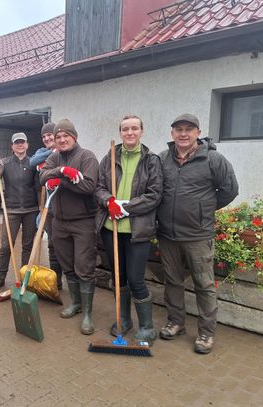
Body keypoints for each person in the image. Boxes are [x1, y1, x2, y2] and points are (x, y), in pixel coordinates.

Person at [157, 113, 238, 354]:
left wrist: (204, 210)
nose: (183, 134)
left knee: (204, 285)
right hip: (168, 235)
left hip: (198, 235)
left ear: (198, 133)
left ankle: (206, 333)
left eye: (189, 129)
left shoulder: (213, 159)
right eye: (178, 129)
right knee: (172, 281)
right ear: (172, 134)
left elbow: (229, 190)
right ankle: (176, 322)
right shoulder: (163, 159)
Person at [95, 115, 163, 344]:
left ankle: (146, 326)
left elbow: (155, 195)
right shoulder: (110, 157)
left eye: (134, 128)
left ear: (141, 131)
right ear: (121, 132)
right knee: (119, 277)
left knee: (136, 279)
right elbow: (99, 187)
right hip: (111, 228)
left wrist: (127, 207)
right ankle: (123, 319)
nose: (130, 132)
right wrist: (108, 202)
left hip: (137, 230)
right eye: (125, 129)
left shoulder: (151, 160)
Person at [39, 119, 99, 335]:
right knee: (68, 266)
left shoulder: (87, 156)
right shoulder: (54, 156)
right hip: (59, 222)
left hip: (83, 221)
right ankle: (75, 303)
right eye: (58, 137)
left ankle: (88, 314)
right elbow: (42, 176)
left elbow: (89, 186)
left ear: (74, 137)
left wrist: (61, 180)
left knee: (84, 266)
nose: (62, 140)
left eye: (66, 136)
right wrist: (62, 170)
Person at [0, 132, 39, 290]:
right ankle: (0, 276)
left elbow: (39, 185)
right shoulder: (5, 162)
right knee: (5, 245)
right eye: (17, 143)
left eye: (22, 142)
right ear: (12, 146)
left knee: (28, 246)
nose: (20, 145)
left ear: (27, 144)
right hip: (12, 210)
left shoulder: (33, 163)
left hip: (31, 209)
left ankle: (26, 276)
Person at [29, 122, 63, 289]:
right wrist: (51, 153)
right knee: (51, 244)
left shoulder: (65, 149)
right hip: (47, 206)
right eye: (44, 136)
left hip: (64, 205)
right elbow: (32, 161)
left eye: (50, 135)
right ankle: (56, 281)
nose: (47, 138)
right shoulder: (42, 152)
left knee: (63, 244)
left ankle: (69, 278)